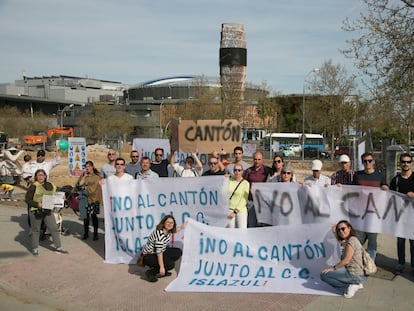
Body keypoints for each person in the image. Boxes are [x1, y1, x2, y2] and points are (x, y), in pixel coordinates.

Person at [353, 152, 389, 260]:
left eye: (369, 161)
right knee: (358, 239)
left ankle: (370, 263)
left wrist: (386, 187)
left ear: (373, 162)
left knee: (372, 241)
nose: (367, 163)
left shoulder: (380, 176)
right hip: (360, 213)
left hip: (374, 214)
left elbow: (386, 188)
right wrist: (339, 187)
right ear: (362, 162)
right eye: (365, 161)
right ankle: (357, 261)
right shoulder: (357, 175)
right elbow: (350, 190)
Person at [25, 169, 68, 256]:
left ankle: (58, 247)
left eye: (42, 175)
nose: (40, 177)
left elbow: (59, 190)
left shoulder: (50, 185)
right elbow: (27, 199)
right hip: (36, 211)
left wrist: (63, 195)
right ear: (36, 177)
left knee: (54, 228)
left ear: (45, 176)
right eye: (38, 175)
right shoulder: (33, 186)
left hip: (47, 209)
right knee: (36, 230)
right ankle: (34, 248)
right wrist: (37, 204)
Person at [320, 220, 367, 298]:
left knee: (324, 275)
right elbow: (341, 242)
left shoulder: (351, 241)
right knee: (332, 270)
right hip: (358, 273)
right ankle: (356, 284)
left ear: (349, 228)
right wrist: (335, 233)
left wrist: (333, 268)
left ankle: (347, 288)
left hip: (354, 274)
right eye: (339, 230)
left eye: (343, 229)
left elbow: (346, 260)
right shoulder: (351, 239)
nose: (341, 231)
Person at [389, 153, 414, 275]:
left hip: (413, 216)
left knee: (413, 242)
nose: (406, 164)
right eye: (403, 161)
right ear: (400, 163)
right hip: (400, 216)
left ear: (411, 163)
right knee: (400, 241)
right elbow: (391, 197)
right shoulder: (396, 180)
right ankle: (401, 264)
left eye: (408, 162)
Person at [142, 215, 186, 282]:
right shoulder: (160, 235)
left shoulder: (167, 231)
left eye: (172, 223)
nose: (170, 224)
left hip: (158, 251)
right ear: (163, 223)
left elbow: (175, 230)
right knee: (171, 265)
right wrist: (162, 267)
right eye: (168, 222)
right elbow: (159, 253)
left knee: (178, 252)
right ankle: (151, 272)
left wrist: (182, 227)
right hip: (149, 256)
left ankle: (164, 267)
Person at [243, 151, 272, 227]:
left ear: (262, 160)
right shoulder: (248, 171)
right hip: (251, 202)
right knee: (251, 224)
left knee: (264, 226)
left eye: (259, 159)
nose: (257, 161)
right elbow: (243, 184)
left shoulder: (268, 171)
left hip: (264, 202)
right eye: (255, 159)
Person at [76, 161, 102, 241]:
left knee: (94, 216)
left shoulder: (96, 176)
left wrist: (84, 188)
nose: (87, 168)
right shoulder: (83, 176)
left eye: (89, 166)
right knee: (85, 217)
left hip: (94, 199)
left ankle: (95, 234)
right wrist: (84, 177)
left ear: (92, 166)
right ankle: (86, 233)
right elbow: (79, 185)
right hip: (85, 199)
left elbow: (93, 188)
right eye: (86, 166)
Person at [227, 164, 249, 228]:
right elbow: (223, 192)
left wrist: (235, 211)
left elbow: (244, 199)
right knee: (231, 231)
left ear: (242, 171)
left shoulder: (245, 183)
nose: (237, 172)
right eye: (235, 170)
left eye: (239, 170)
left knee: (242, 230)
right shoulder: (229, 181)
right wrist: (224, 179)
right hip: (230, 209)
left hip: (240, 210)